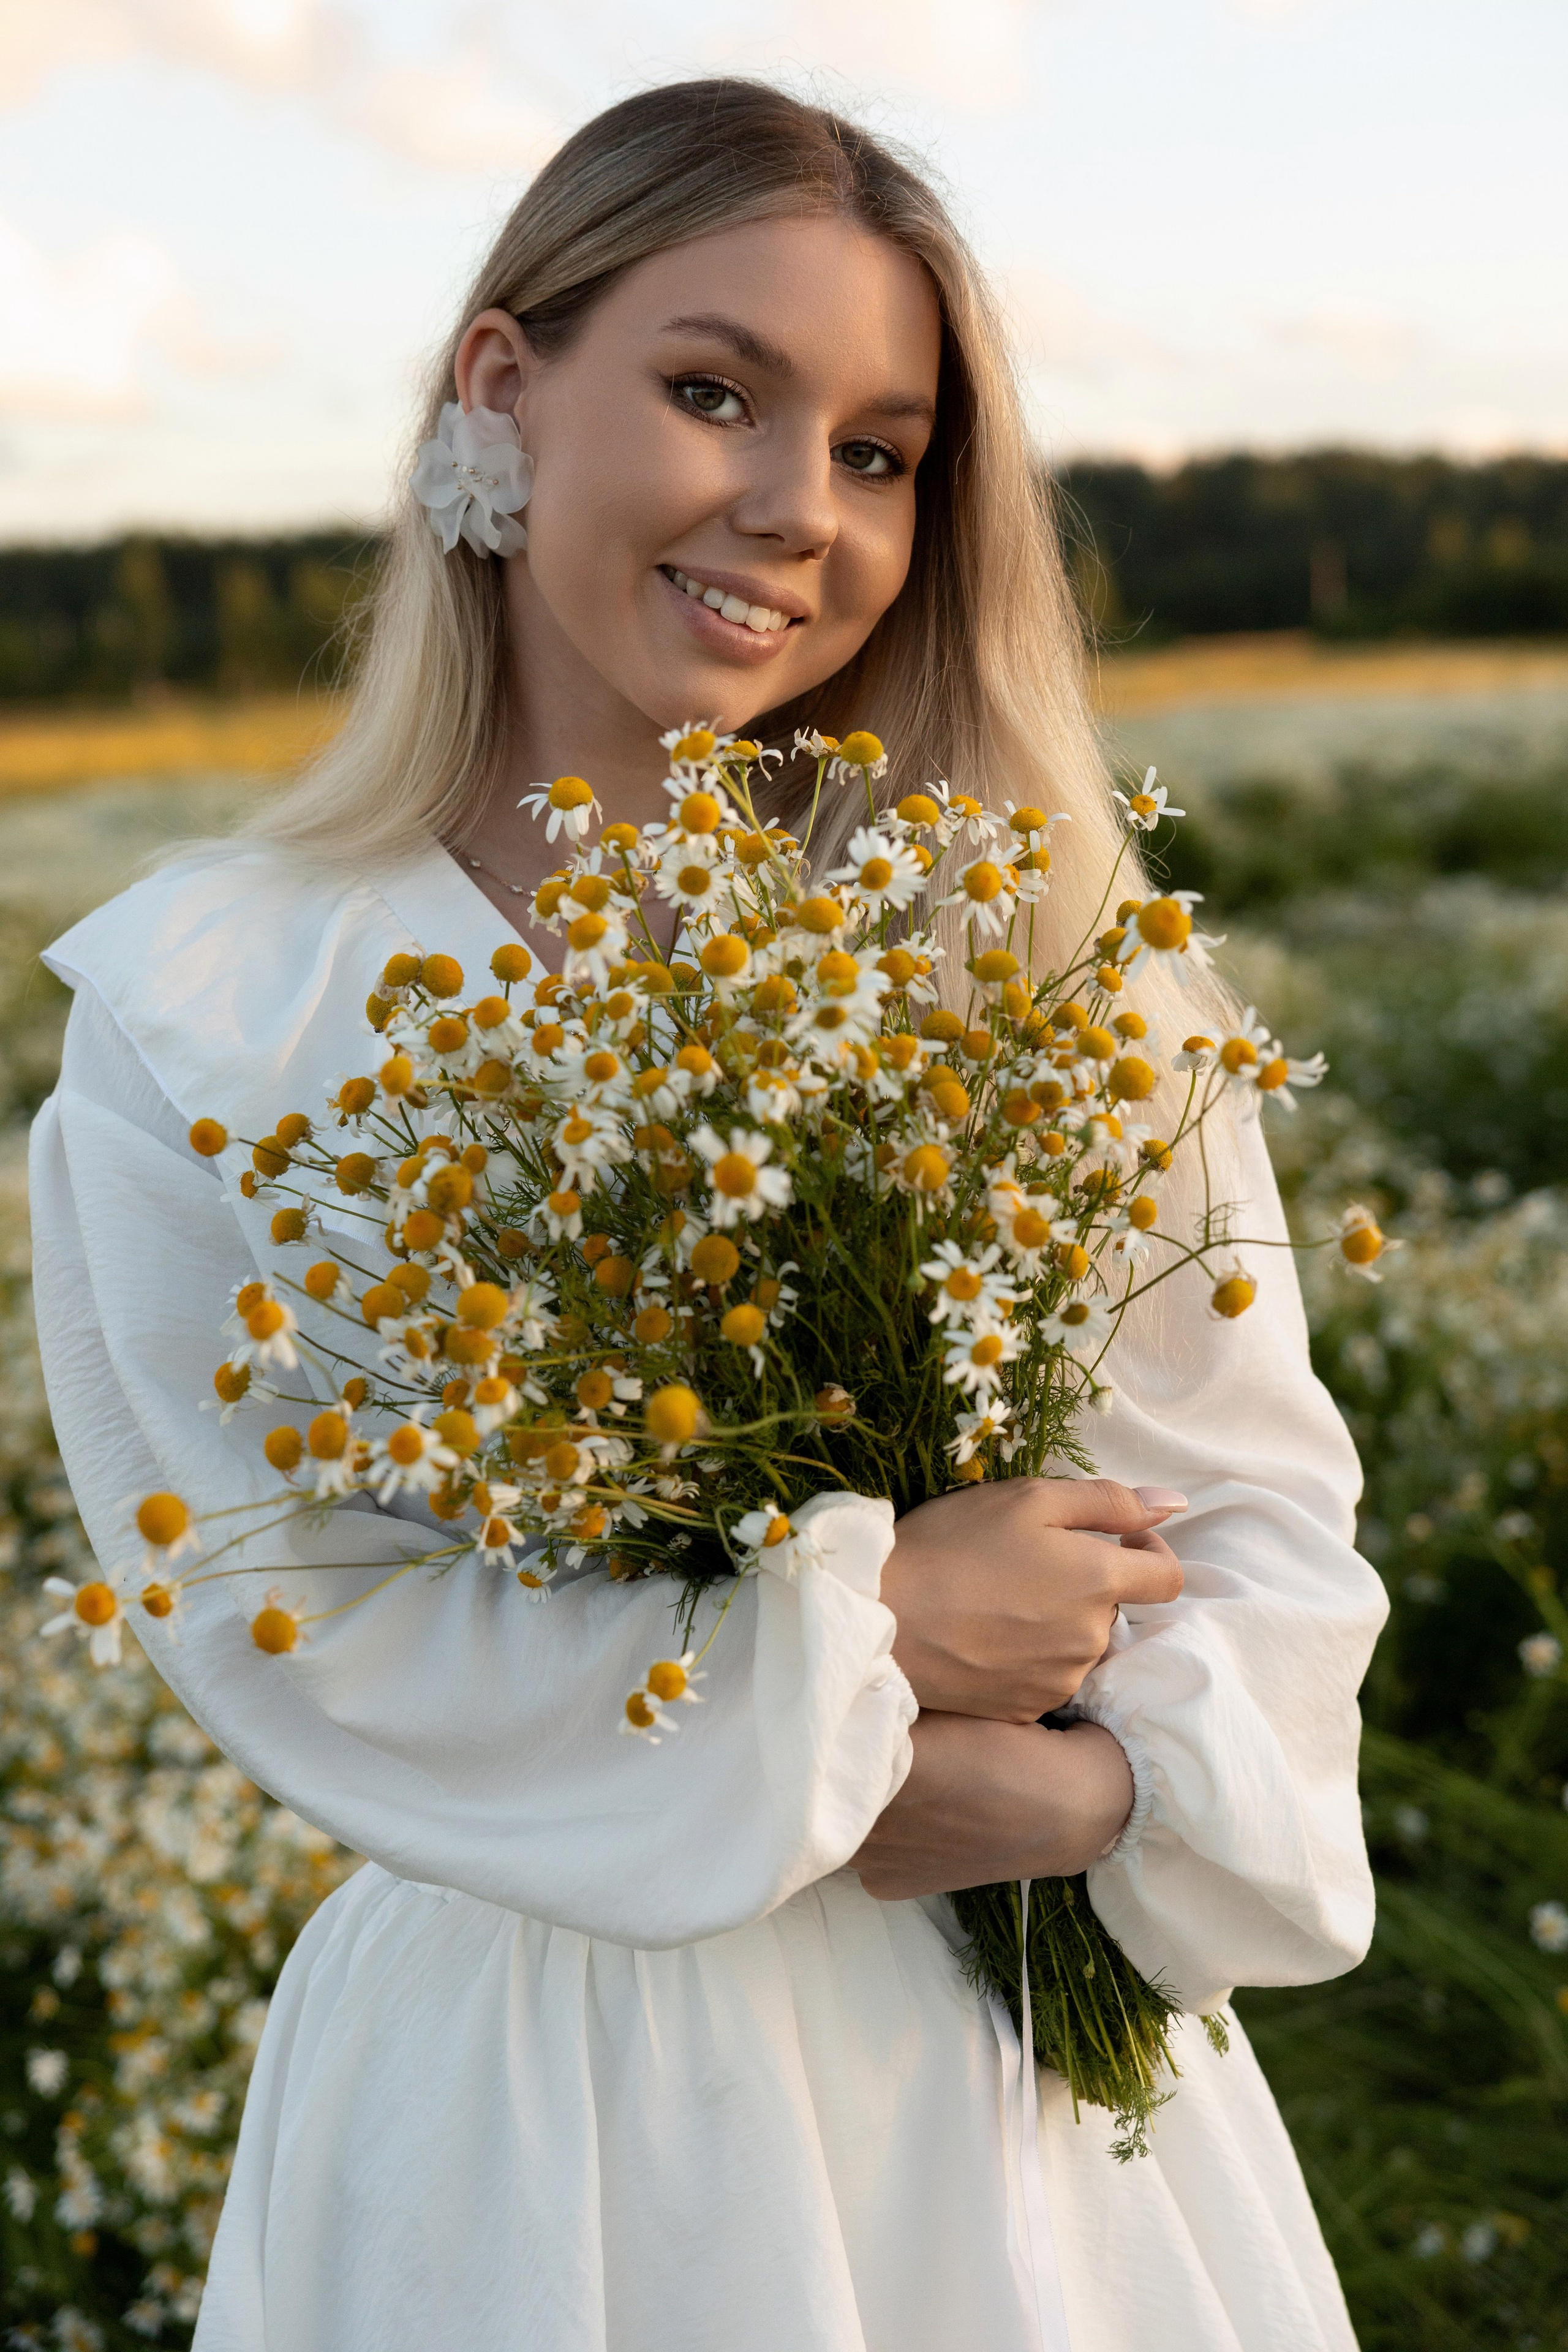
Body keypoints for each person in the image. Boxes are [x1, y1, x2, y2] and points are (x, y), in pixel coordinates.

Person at [29, 78, 1387, 2352]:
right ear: (502, 385)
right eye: (711, 391)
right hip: (541, 2108)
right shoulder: (211, 1011)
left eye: (879, 448)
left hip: (1019, 2101)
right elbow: (305, 1626)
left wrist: (1068, 1791)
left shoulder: (1037, 942)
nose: (793, 508)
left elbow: (1263, 1514)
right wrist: (857, 1657)